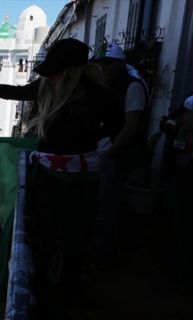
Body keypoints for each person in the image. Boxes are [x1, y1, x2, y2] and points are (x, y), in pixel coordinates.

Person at [0, 38, 119, 319]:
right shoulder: (47, 87)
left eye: (56, 71)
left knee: (76, 241)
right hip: (49, 178)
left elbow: (117, 127)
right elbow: (15, 92)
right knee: (43, 238)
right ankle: (38, 295)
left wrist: (97, 149)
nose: (51, 77)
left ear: (73, 72)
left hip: (82, 181)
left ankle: (64, 298)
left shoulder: (98, 95)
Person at [91, 41, 150, 267]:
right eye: (100, 64)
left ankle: (104, 255)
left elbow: (131, 127)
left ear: (120, 64)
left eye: (108, 64)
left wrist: (109, 156)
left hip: (117, 156)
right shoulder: (108, 86)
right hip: (104, 153)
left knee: (107, 207)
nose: (103, 68)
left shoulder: (132, 87)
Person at [160, 92, 193, 293]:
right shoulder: (190, 99)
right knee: (183, 219)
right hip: (184, 168)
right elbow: (171, 121)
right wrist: (169, 124)